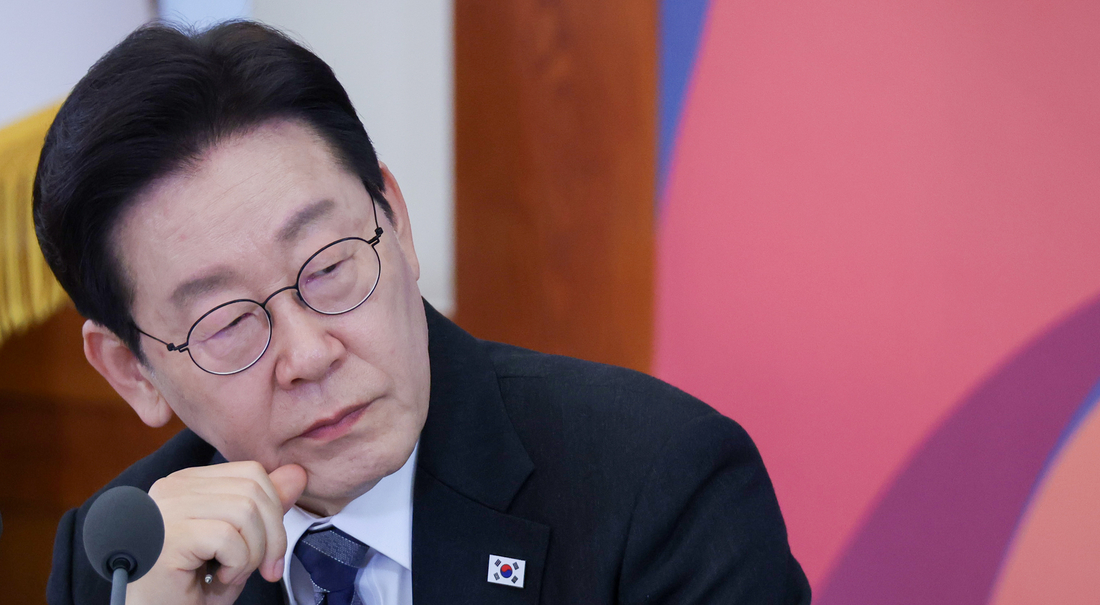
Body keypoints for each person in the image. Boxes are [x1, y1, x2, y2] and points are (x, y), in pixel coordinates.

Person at [36, 21, 809, 605]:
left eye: (329, 267)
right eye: (229, 321)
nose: (309, 354)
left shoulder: (659, 486)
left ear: (395, 223)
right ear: (132, 370)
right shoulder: (121, 562)